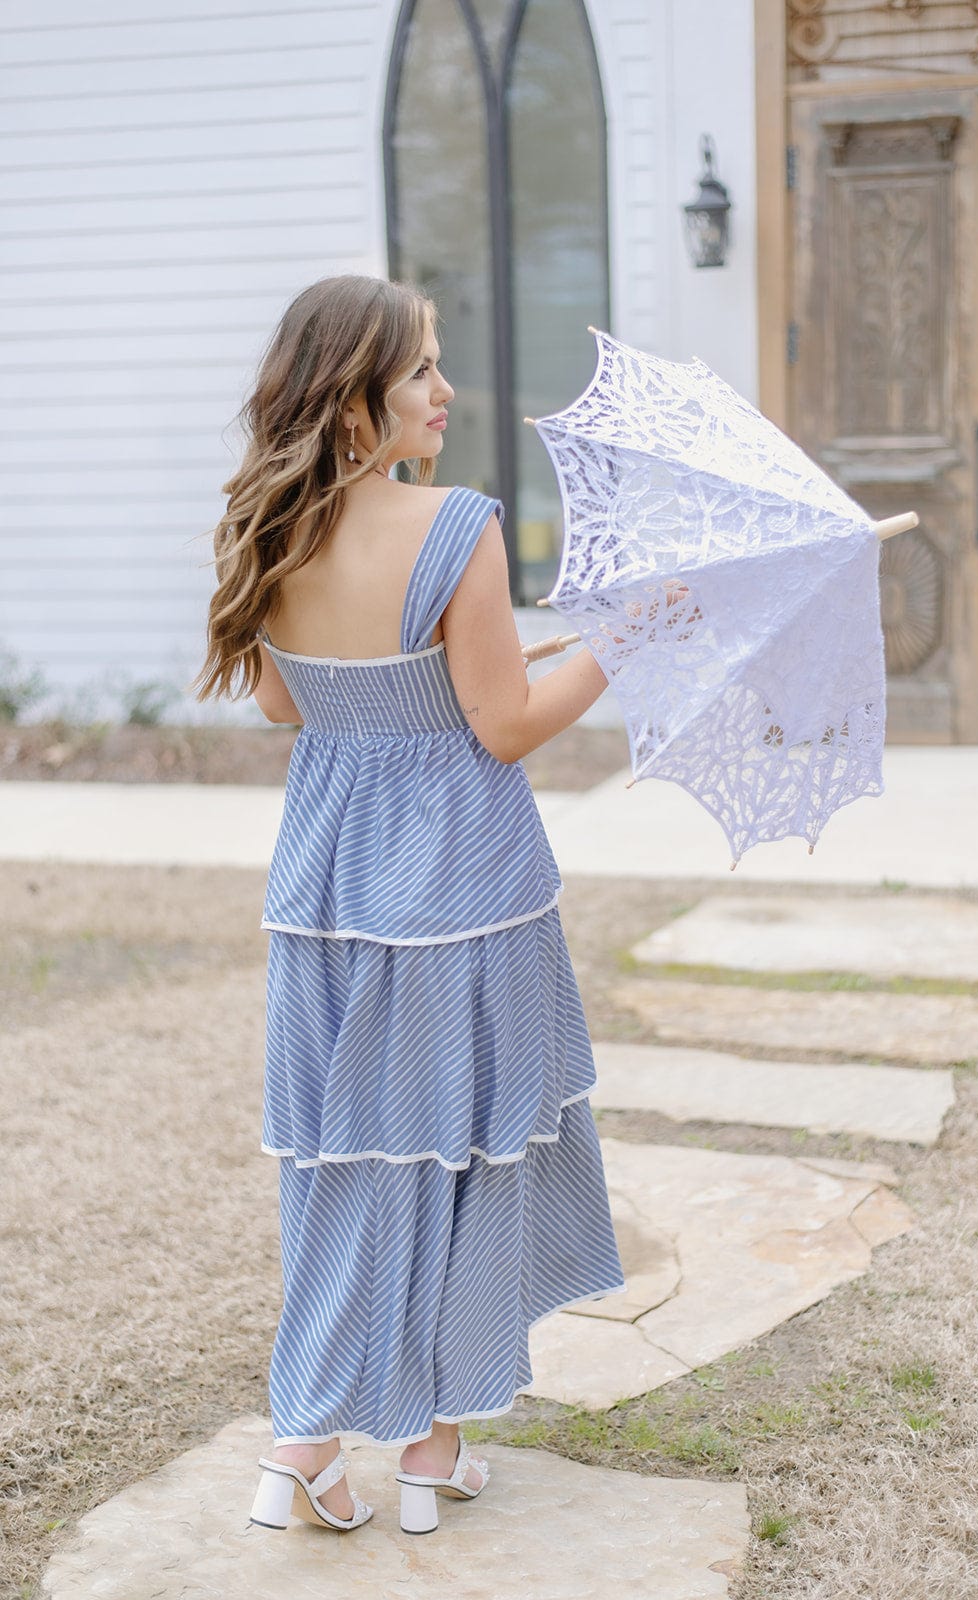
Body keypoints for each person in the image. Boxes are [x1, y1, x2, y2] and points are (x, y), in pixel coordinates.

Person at [195, 274, 625, 1539]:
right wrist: (624, 640)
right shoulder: (460, 523)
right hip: (464, 891)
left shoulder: (262, 524)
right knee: (463, 1154)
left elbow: (293, 707)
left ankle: (308, 1448)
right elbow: (504, 727)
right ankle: (428, 1450)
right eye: (425, 370)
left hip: (326, 895)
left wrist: (426, 680)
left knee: (347, 1160)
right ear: (354, 401)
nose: (446, 393)